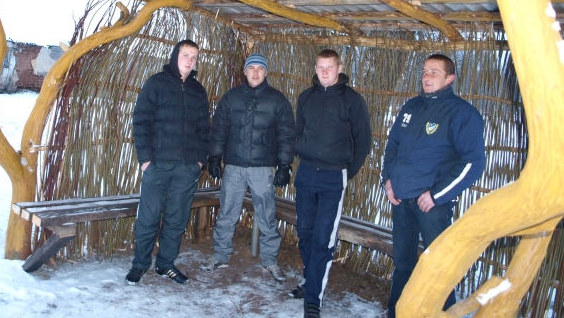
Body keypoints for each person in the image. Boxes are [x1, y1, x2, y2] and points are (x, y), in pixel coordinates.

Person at [381, 54, 485, 318]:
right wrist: (388, 180)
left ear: (449, 78)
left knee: (439, 266)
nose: (427, 77)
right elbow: (392, 146)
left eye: (434, 72)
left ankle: (443, 313)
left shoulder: (462, 113)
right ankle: (396, 312)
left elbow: (473, 164)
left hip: (432, 206)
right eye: (425, 71)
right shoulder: (411, 107)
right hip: (401, 200)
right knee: (403, 264)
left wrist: (437, 195)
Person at [199, 53, 295, 282]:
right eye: (251, 68)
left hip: (262, 169)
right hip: (234, 166)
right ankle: (221, 255)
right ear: (244, 71)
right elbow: (219, 129)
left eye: (260, 68)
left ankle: (270, 261)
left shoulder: (277, 100)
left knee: (267, 216)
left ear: (266, 72)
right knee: (227, 214)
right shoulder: (231, 98)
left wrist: (284, 165)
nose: (255, 72)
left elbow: (286, 134)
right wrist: (214, 158)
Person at [292, 49, 372, 318]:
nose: (325, 71)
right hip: (305, 174)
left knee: (323, 238)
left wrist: (345, 173)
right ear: (314, 68)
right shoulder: (306, 98)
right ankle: (310, 281)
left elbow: (363, 143)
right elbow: (299, 131)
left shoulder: (352, 101)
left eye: (330, 67)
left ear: (340, 69)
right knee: (305, 232)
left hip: (333, 177)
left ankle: (314, 300)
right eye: (320, 67)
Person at [125, 39, 210, 285]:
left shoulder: (198, 90)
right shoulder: (156, 84)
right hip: (158, 165)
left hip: (186, 167)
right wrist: (145, 160)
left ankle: (165, 264)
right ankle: (140, 265)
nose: (190, 61)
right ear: (175, 56)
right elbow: (141, 121)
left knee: (176, 219)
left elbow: (205, 128)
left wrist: (200, 161)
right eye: (186, 55)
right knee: (149, 217)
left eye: (194, 57)